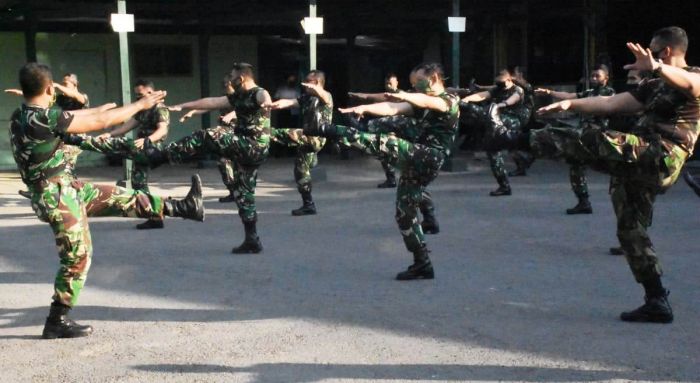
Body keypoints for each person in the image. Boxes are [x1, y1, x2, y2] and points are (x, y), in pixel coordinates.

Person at [489, 27, 700, 323]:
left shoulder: (692, 76)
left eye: (652, 51)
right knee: (630, 231)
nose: (646, 57)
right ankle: (656, 300)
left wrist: (656, 67)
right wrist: (570, 104)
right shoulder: (653, 85)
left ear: (665, 52)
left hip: (661, 155)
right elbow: (612, 103)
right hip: (638, 162)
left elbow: (693, 86)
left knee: (592, 138)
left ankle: (516, 140)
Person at [10, 63, 204, 339]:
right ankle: (56, 320)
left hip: (66, 189)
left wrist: (101, 111)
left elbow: (81, 115)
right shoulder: (44, 118)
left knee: (119, 196)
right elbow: (96, 123)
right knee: (78, 257)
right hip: (57, 197)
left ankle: (183, 207)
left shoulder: (23, 114)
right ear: (50, 89)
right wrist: (140, 105)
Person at [305, 63, 459, 280]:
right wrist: (364, 109)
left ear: (433, 78)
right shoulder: (421, 102)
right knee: (404, 213)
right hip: (417, 160)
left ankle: (328, 129)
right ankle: (422, 263)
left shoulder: (448, 100)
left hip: (429, 156)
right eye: (413, 86)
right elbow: (392, 108)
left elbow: (429, 101)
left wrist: (406, 94)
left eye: (417, 84)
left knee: (387, 143)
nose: (415, 89)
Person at [152, 63, 272, 254]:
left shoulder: (257, 93)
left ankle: (164, 155)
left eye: (232, 78)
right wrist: (183, 105)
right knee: (244, 195)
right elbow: (212, 102)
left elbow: (264, 96)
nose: (229, 82)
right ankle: (252, 240)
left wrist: (267, 102)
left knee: (208, 136)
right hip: (246, 150)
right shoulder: (237, 96)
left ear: (241, 79)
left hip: (253, 145)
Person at [535, 65, 615, 214]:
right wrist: (549, 92)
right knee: (576, 166)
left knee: (612, 166)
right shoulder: (590, 92)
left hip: (600, 136)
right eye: (592, 76)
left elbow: (601, 106)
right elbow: (570, 96)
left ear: (606, 78)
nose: (594, 79)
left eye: (597, 76)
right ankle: (583, 202)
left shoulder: (609, 93)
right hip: (585, 135)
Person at [99, 79, 170, 229]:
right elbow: (127, 126)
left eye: (140, 95)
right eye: (137, 96)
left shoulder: (160, 108)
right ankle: (154, 216)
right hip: (140, 148)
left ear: (150, 93)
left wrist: (147, 140)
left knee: (121, 147)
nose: (138, 99)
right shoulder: (144, 109)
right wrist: (110, 134)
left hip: (151, 148)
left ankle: (87, 143)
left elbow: (162, 130)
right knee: (138, 183)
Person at [269, 70, 332, 216]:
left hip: (315, 137)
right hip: (307, 139)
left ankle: (265, 133)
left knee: (281, 133)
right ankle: (308, 204)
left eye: (307, 82)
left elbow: (325, 98)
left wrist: (317, 89)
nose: (304, 85)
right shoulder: (307, 97)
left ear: (316, 83)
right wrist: (275, 105)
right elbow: (291, 102)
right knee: (300, 171)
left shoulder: (326, 96)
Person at [460, 69, 529, 196]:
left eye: (501, 83)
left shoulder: (517, 90)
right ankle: (505, 185)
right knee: (494, 151)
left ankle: (523, 162)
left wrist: (501, 105)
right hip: (496, 122)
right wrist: (467, 99)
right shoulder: (497, 89)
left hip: (512, 120)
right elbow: (482, 95)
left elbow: (512, 100)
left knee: (486, 115)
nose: (499, 86)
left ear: (509, 80)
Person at [179, 75, 239, 203]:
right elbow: (210, 106)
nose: (224, 86)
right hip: (223, 134)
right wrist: (193, 112)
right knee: (223, 163)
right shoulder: (224, 98)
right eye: (223, 84)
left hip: (238, 133)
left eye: (226, 84)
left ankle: (240, 192)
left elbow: (244, 108)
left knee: (237, 164)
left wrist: (231, 114)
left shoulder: (240, 96)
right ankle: (233, 191)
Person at [349, 72, 404, 188]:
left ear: (397, 83)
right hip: (385, 128)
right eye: (386, 83)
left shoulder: (401, 95)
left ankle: (401, 179)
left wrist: (361, 96)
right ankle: (391, 179)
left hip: (398, 129)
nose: (388, 86)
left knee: (397, 154)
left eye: (390, 83)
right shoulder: (384, 96)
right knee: (385, 154)